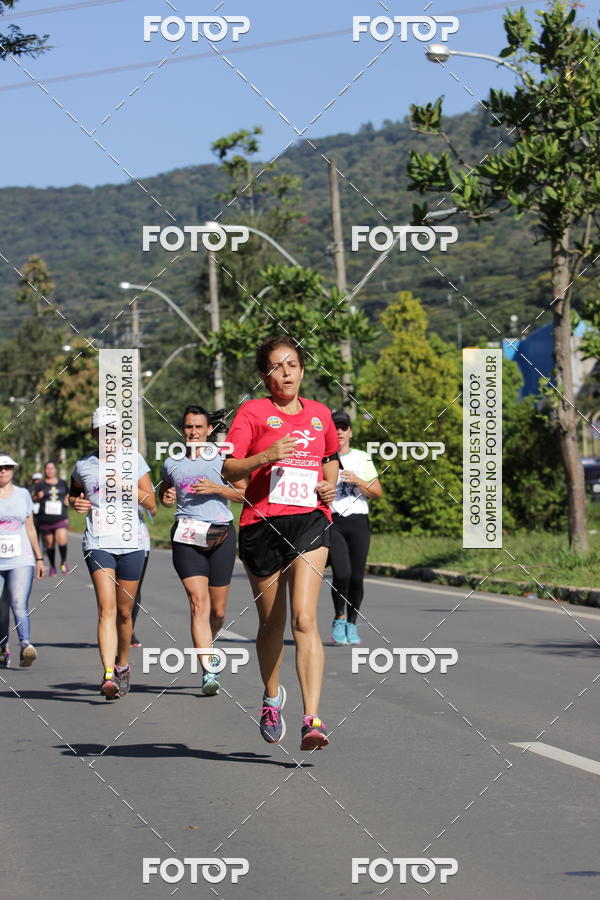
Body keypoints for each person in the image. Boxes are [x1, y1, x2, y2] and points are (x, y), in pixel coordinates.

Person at [222, 337, 339, 751]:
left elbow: (330, 460)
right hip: (262, 524)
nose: (285, 372)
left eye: (292, 365)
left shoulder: (320, 414)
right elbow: (229, 466)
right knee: (271, 622)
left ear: (302, 369)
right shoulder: (252, 413)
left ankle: (312, 718)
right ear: (264, 375)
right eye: (276, 367)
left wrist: (329, 487)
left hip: (310, 521)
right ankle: (271, 699)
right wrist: (265, 456)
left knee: (304, 619)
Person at [69, 407, 156, 699]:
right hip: (98, 543)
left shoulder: (135, 460)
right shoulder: (84, 465)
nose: (107, 437)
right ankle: (107, 674)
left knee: (123, 612)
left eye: (112, 432)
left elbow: (152, 503)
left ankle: (122, 664)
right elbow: (75, 493)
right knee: (106, 608)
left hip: (132, 544)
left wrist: (126, 486)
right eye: (100, 432)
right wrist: (75, 503)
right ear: (94, 434)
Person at [159, 405, 246, 696]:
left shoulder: (223, 459)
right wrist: (167, 497)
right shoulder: (171, 461)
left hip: (221, 534)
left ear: (209, 430)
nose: (193, 433)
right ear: (182, 430)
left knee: (218, 611)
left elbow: (246, 494)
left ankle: (209, 640)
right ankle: (209, 669)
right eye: (188, 428)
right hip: (186, 536)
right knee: (199, 604)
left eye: (198, 427)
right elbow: (166, 494)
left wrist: (217, 489)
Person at [328, 410, 382, 646]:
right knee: (342, 573)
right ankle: (339, 617)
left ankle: (352, 621)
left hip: (358, 520)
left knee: (357, 578)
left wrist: (357, 480)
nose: (339, 431)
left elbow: (377, 491)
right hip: (334, 520)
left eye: (343, 427)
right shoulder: (323, 456)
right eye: (335, 427)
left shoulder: (362, 457)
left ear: (350, 431)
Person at [0, 452, 45, 668]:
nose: (2, 471)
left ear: (12, 470)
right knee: (1, 607)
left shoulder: (23, 494)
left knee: (18, 602)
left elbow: (30, 527)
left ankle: (26, 645)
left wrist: (39, 557)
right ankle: (2, 647)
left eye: (7, 467)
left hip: (21, 558)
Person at [35, 460, 70, 575]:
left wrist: (67, 499)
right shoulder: (40, 484)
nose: (49, 470)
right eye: (47, 468)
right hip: (45, 518)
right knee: (50, 544)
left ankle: (63, 562)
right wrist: (37, 497)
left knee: (61, 540)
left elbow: (69, 494)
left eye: (52, 468)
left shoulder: (62, 483)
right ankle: (53, 566)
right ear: (44, 470)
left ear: (55, 470)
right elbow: (33, 498)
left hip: (60, 516)